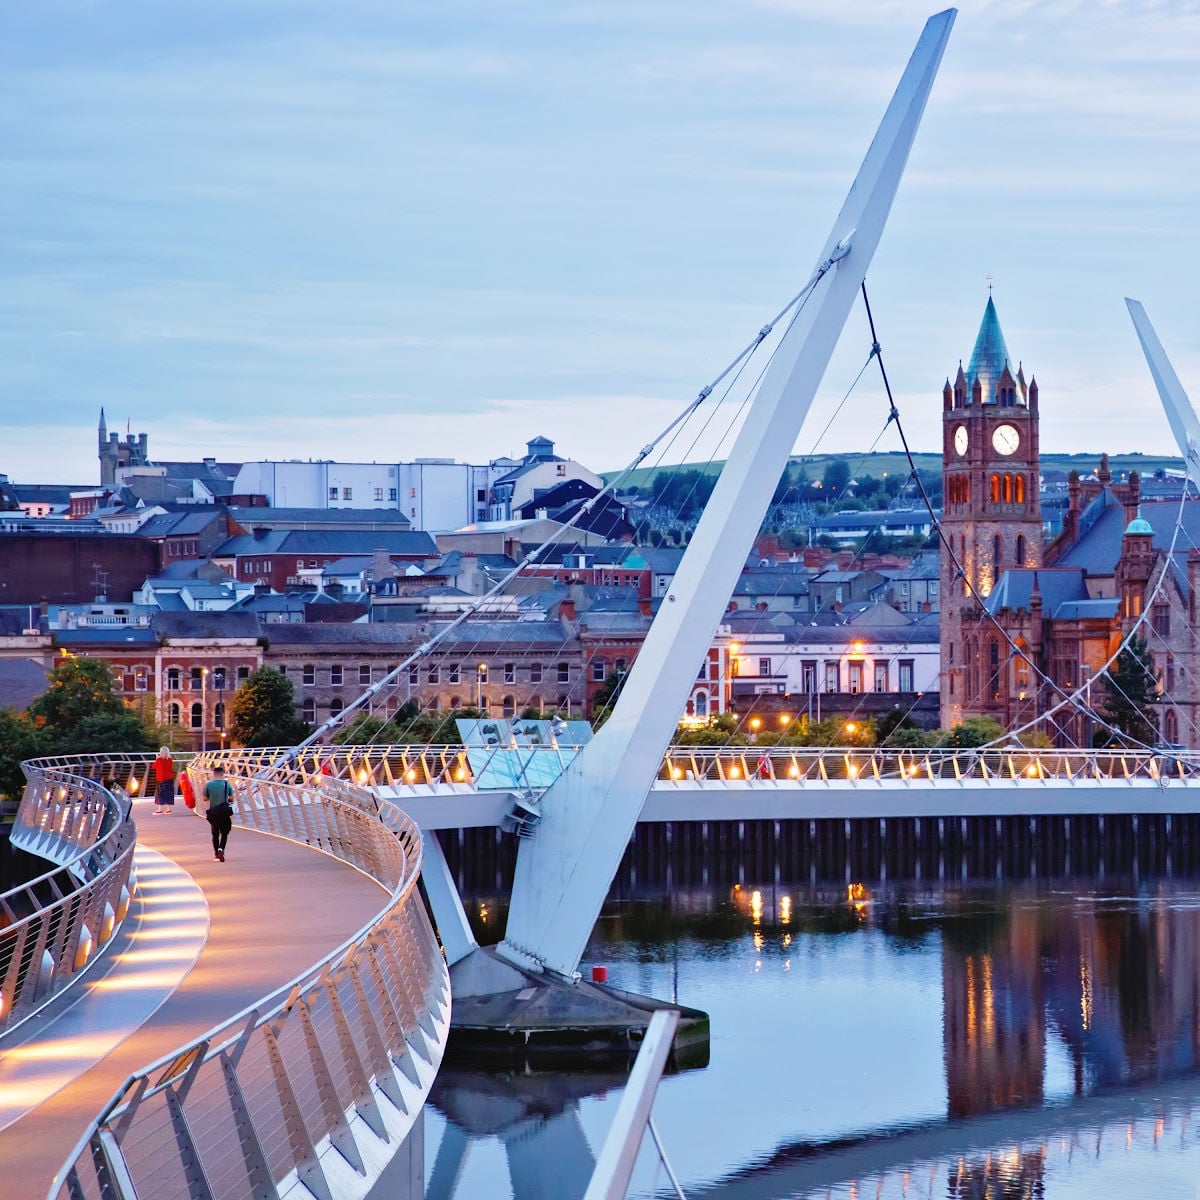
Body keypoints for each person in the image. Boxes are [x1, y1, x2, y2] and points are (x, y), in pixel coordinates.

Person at [203, 766, 235, 862]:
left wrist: (211, 798)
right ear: (222, 774)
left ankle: (216, 854)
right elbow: (232, 799)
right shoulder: (227, 785)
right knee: (224, 833)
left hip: (213, 812)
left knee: (215, 833)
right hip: (224, 812)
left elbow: (205, 798)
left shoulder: (208, 785)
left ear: (214, 774)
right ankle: (222, 848)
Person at [152, 746, 176, 814]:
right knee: (168, 793)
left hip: (161, 779)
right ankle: (168, 809)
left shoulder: (159, 760)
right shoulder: (170, 759)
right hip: (169, 778)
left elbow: (154, 766)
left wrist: (156, 758)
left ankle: (159, 809)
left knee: (160, 794)